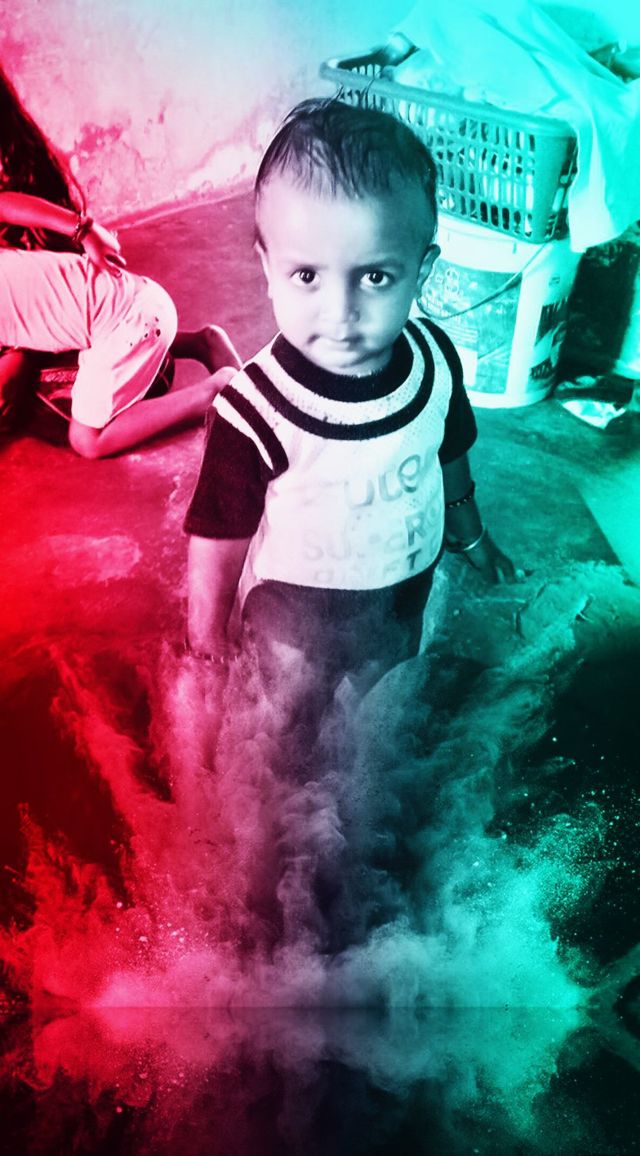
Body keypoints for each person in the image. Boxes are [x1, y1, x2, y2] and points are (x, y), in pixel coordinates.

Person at [184, 98, 518, 952]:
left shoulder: (435, 360)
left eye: (375, 277)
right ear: (265, 265)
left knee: (377, 721)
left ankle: (359, 848)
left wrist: (470, 533)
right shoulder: (258, 407)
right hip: (293, 620)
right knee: (284, 742)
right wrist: (205, 639)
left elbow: (449, 451)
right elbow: (218, 533)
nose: (340, 313)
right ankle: (264, 883)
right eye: (307, 277)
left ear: (421, 269)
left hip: (397, 599)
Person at [0, 64, 240, 457]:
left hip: (131, 326)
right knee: (77, 335)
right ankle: (201, 342)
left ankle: (213, 391)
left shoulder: (22, 168)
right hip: (137, 307)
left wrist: (83, 229)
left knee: (85, 439)